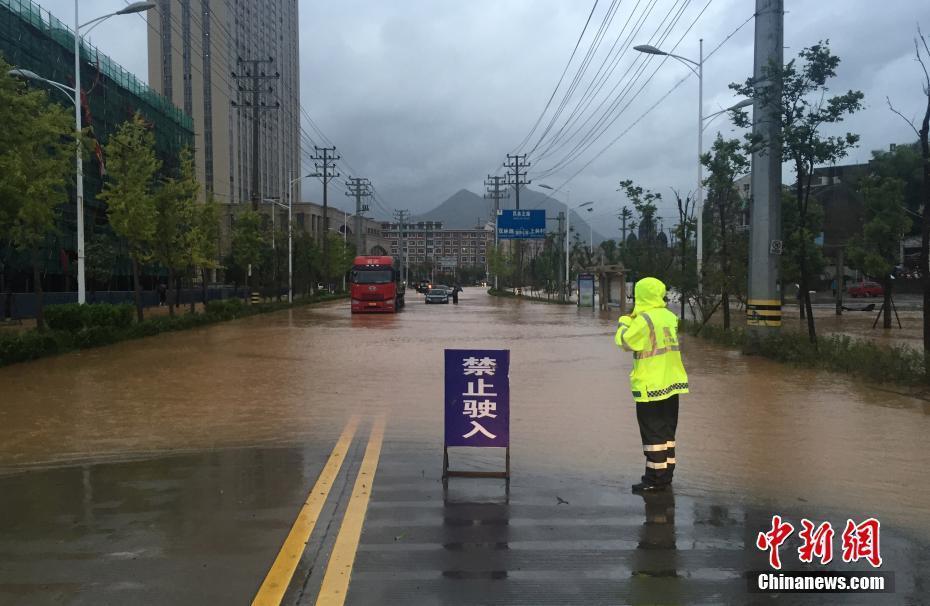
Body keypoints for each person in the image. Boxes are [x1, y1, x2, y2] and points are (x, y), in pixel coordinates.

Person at [614, 277, 689, 494]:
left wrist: (624, 321)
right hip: (672, 383)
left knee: (653, 435)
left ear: (641, 295)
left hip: (651, 386)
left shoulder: (643, 319)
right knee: (667, 433)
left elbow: (625, 342)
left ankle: (654, 480)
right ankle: (665, 476)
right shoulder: (669, 316)